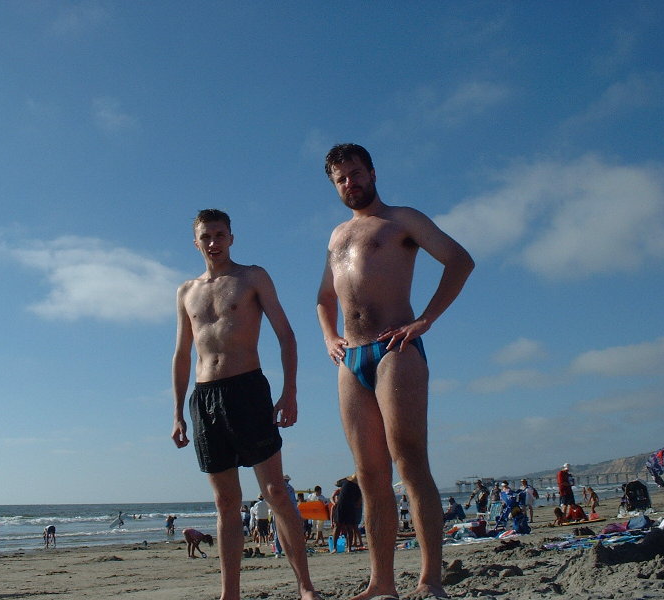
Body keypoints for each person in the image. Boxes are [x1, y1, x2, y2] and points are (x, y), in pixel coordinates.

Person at [316, 143, 474, 599]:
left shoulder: (401, 219)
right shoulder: (336, 236)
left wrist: (426, 318)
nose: (350, 183)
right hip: (351, 359)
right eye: (341, 178)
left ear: (372, 173)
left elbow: (459, 260)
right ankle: (381, 583)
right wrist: (329, 336)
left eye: (356, 173)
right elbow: (324, 297)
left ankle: (430, 580)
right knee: (369, 475)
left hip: (395, 349)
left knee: (410, 461)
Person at [171, 209, 320, 600]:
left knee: (275, 491)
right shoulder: (186, 291)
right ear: (196, 242)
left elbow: (286, 335)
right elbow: (182, 355)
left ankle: (306, 587)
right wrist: (177, 413)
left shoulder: (252, 277)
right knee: (225, 502)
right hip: (205, 397)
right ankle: (230, 594)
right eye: (206, 236)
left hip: (248, 389)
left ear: (231, 238)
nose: (213, 242)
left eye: (220, 235)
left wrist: (290, 391)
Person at [332, 475, 362, 553]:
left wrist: (357, 503)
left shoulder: (358, 486)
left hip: (348, 506)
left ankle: (347, 547)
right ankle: (336, 547)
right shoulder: (346, 482)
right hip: (343, 506)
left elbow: (360, 499)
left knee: (347, 527)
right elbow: (336, 483)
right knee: (340, 527)